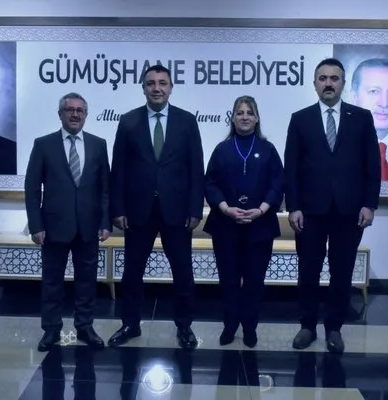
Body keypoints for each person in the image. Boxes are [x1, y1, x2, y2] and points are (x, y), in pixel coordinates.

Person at [284, 58, 381, 354]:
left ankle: (335, 329)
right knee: (308, 270)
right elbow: (292, 167)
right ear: (315, 84)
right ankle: (307, 326)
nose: (328, 83)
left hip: (349, 211)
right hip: (309, 211)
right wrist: (294, 206)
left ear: (343, 84)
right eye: (323, 78)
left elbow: (372, 165)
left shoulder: (361, 118)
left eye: (334, 78)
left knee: (342, 272)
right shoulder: (300, 119)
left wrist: (369, 204)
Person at [109, 64, 205, 350]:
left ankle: (184, 326)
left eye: (162, 83)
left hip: (177, 211)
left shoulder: (187, 121)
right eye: (151, 83)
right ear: (143, 88)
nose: (157, 88)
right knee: (132, 272)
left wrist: (195, 209)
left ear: (171, 87)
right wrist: (118, 208)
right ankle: (130, 324)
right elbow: (118, 169)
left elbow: (196, 168)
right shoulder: (128, 121)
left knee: (183, 272)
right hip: (138, 211)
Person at [24, 92, 111, 351]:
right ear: (60, 114)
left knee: (87, 282)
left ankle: (85, 327)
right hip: (53, 228)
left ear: (86, 115)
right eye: (69, 110)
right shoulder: (43, 144)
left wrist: (105, 222)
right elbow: (32, 188)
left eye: (79, 110)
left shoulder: (98, 145)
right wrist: (36, 225)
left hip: (88, 227)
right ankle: (51, 330)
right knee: (52, 282)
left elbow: (105, 189)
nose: (74, 114)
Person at [202, 95, 284, 348]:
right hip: (225, 226)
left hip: (260, 226)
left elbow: (277, 183)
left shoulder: (268, 150)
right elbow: (210, 183)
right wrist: (226, 209)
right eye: (240, 112)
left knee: (254, 281)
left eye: (249, 112)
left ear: (257, 118)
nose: (245, 117)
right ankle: (229, 325)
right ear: (233, 118)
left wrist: (261, 209)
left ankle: (250, 327)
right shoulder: (222, 149)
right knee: (228, 280)